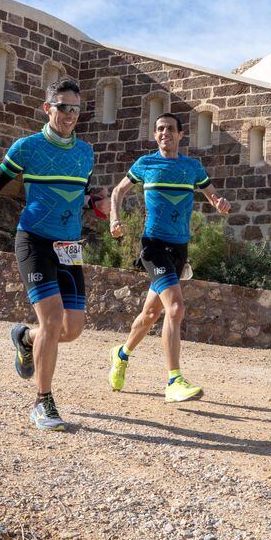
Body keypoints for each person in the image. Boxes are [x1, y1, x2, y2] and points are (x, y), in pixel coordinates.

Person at [0, 79, 109, 431]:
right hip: (33, 241)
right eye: (63, 107)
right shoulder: (27, 148)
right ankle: (42, 402)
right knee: (52, 319)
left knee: (72, 329)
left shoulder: (85, 153)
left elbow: (80, 194)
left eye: (76, 108)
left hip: (68, 247)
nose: (69, 115)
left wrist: (97, 202)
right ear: (47, 108)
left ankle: (25, 338)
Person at [106, 112, 231, 402]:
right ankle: (174, 380)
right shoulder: (145, 164)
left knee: (151, 313)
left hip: (179, 249)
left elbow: (213, 196)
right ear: (155, 135)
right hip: (153, 247)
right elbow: (117, 191)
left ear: (180, 135)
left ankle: (121, 354)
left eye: (170, 129)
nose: (165, 133)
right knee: (175, 308)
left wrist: (221, 203)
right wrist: (114, 219)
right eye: (160, 129)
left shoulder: (192, 167)